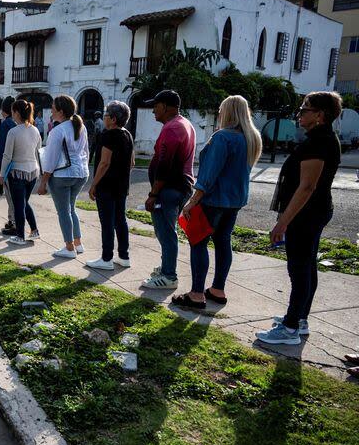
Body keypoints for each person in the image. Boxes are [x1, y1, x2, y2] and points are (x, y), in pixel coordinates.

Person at [257, 92, 342, 345]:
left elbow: (307, 186)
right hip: (313, 211)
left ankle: (291, 327)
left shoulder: (319, 142)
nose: (300, 113)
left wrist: (283, 222)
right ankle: (299, 319)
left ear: (320, 115)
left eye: (305, 109)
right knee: (306, 267)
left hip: (307, 214)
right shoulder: (319, 138)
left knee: (299, 269)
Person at [171, 96, 262, 309]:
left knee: (198, 242)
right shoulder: (251, 138)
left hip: (213, 199)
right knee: (223, 242)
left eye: (221, 110)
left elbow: (209, 175)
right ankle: (217, 289)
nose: (219, 114)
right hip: (235, 200)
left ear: (228, 112)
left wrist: (192, 202)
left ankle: (196, 294)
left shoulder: (222, 137)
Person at [141, 90, 196, 289]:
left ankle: (169, 276)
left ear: (166, 106)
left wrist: (153, 194)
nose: (153, 110)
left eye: (156, 105)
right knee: (166, 231)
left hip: (170, 189)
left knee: (166, 232)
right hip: (177, 187)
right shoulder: (183, 123)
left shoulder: (173, 128)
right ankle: (166, 267)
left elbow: (164, 165)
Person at [37, 95, 89, 259]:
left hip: (63, 175)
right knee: (71, 208)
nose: (51, 109)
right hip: (81, 172)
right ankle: (77, 243)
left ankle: (69, 247)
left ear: (60, 111)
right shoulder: (81, 127)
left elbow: (50, 159)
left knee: (63, 211)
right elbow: (86, 151)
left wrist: (43, 182)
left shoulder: (57, 131)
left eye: (53, 107)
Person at [86, 101, 134, 270]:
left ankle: (106, 258)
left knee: (107, 222)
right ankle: (124, 256)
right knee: (120, 220)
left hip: (106, 186)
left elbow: (104, 163)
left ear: (113, 119)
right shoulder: (127, 134)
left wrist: (93, 185)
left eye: (106, 115)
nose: (104, 118)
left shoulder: (108, 135)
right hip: (121, 185)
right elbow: (132, 162)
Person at [0, 99, 42, 246]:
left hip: (17, 172)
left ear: (17, 112)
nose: (12, 114)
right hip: (33, 172)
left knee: (19, 205)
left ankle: (20, 236)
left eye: (12, 112)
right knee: (24, 202)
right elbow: (38, 151)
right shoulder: (35, 130)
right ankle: (34, 230)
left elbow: (7, 155)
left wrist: (1, 174)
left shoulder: (13, 132)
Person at [0, 97, 18, 234]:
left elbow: (2, 149)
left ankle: (13, 222)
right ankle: (12, 220)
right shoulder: (20, 124)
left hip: (9, 166)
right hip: (22, 165)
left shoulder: (5, 124)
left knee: (10, 196)